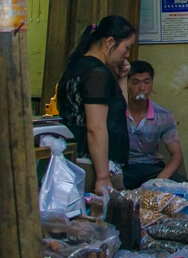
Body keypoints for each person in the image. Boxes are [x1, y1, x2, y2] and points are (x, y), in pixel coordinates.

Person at [57, 15, 137, 195]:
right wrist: (102, 177)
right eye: (126, 48)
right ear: (109, 42)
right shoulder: (97, 74)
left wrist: (122, 78)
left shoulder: (76, 68)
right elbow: (96, 127)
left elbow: (115, 112)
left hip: (82, 160)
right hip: (93, 165)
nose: (127, 55)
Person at [122, 60, 188, 190]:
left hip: (151, 168)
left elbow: (177, 155)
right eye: (135, 82)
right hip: (124, 168)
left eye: (147, 82)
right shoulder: (116, 113)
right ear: (127, 84)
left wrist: (159, 181)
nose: (142, 88)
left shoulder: (164, 115)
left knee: (184, 187)